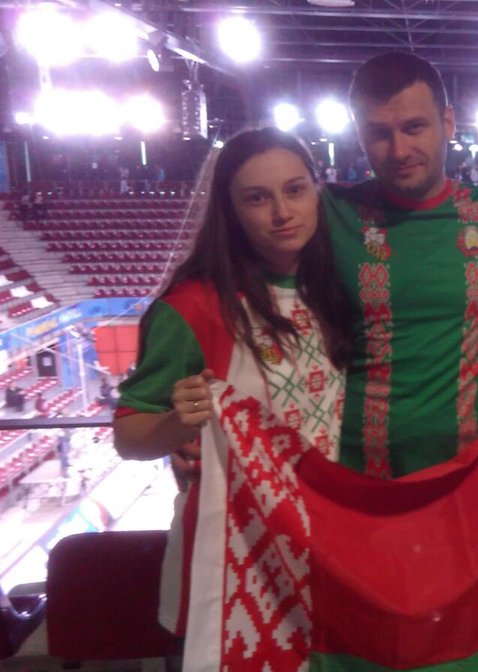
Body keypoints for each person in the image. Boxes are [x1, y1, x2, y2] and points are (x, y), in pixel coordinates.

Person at [113, 126, 352, 643]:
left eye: (295, 190)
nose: (282, 212)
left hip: (327, 551)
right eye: (257, 198)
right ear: (231, 209)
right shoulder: (195, 306)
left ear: (318, 190)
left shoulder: (339, 290)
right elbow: (129, 436)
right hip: (233, 562)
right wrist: (178, 425)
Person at [323, 51, 478, 477]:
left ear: (448, 123)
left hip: (469, 478)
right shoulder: (329, 215)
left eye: (414, 127)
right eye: (379, 133)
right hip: (354, 481)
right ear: (359, 136)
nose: (399, 149)